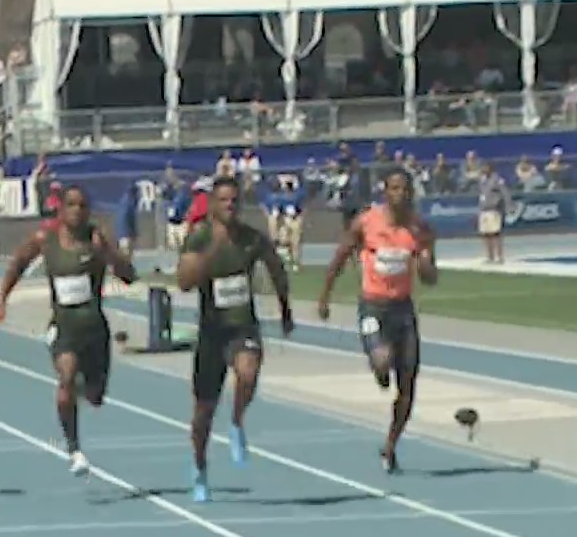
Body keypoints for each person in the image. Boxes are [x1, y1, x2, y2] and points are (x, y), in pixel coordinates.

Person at [0, 186, 136, 476]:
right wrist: (2, 300)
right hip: (63, 327)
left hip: (95, 329)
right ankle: (74, 448)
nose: (76, 211)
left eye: (82, 205)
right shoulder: (46, 239)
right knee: (65, 377)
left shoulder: (96, 239)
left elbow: (128, 276)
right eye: (71, 205)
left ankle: (84, 385)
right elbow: (17, 264)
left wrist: (108, 255)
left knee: (95, 397)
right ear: (61, 209)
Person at [176, 175, 293, 503]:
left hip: (242, 327)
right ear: (212, 205)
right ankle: (199, 468)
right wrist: (211, 251)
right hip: (212, 332)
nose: (229, 206)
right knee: (202, 413)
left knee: (248, 372)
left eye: (234, 201)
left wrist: (286, 310)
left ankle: (238, 421)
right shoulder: (198, 238)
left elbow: (276, 269)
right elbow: (184, 281)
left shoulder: (250, 239)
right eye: (223, 200)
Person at [316, 169, 437, 474]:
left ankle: (390, 445)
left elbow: (431, 278)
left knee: (408, 386)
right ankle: (379, 366)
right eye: (395, 188)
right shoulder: (366, 222)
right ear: (386, 192)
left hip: (402, 310)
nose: (401, 195)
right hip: (373, 307)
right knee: (383, 362)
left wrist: (424, 264)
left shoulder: (419, 229)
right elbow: (340, 257)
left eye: (406, 189)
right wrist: (324, 296)